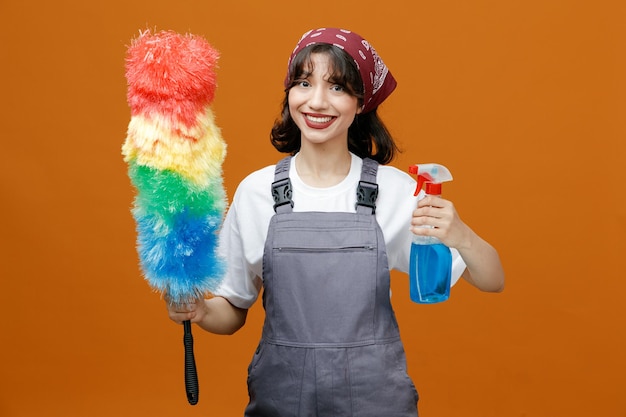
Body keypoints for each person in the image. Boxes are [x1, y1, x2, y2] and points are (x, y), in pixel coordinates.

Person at [167, 27, 504, 416]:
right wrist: (202, 312)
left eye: (338, 87)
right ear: (289, 93)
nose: (317, 101)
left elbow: (492, 279)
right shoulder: (256, 192)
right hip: (282, 401)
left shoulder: (396, 191)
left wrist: (460, 234)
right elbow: (233, 310)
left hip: (375, 402)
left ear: (361, 103)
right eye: (304, 82)